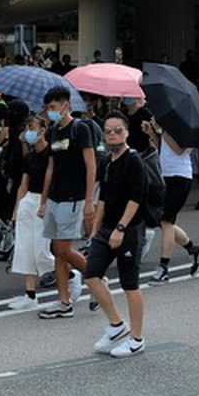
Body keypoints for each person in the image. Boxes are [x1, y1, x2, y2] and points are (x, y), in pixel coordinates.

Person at [85, 115, 151, 358]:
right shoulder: (107, 161)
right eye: (108, 130)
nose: (112, 133)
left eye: (117, 130)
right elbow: (103, 197)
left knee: (129, 285)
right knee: (91, 275)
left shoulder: (134, 161)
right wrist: (95, 229)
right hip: (105, 229)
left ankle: (136, 339)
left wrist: (121, 229)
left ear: (126, 133)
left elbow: (136, 198)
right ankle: (116, 325)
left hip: (129, 230)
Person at [36, 88, 94, 318]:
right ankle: (63, 302)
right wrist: (43, 199)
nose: (50, 112)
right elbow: (50, 167)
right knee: (58, 252)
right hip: (54, 198)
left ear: (66, 105)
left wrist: (89, 200)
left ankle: (97, 277)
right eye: (48, 108)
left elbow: (91, 165)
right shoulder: (53, 132)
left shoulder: (80, 129)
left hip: (73, 197)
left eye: (53, 107)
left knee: (62, 248)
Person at [148, 113, 199, 284]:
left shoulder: (192, 127)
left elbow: (179, 149)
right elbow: (161, 148)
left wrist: (162, 130)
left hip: (180, 177)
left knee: (166, 222)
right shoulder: (170, 125)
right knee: (163, 221)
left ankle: (163, 268)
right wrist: (152, 133)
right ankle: (194, 250)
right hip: (165, 175)